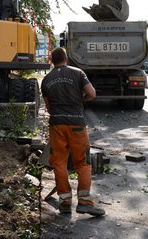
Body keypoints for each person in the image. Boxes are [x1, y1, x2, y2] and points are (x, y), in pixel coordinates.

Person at [41, 47, 104, 216]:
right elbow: (92, 93)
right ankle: (84, 202)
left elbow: (48, 107)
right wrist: (81, 100)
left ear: (51, 60)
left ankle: (65, 201)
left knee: (59, 163)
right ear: (66, 59)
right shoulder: (78, 73)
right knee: (83, 163)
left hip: (56, 125)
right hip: (76, 124)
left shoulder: (46, 79)